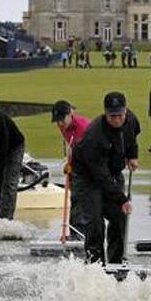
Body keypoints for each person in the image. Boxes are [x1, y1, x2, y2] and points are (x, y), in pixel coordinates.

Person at [71, 92, 140, 265]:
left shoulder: (130, 119)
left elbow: (132, 138)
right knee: (95, 222)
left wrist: (132, 155)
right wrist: (122, 199)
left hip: (113, 172)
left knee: (119, 217)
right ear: (105, 113)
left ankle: (116, 263)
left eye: (120, 115)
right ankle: (95, 266)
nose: (117, 120)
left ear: (125, 111)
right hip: (88, 177)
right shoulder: (94, 135)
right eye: (112, 116)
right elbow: (101, 176)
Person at [51, 100, 91, 239]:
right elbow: (69, 145)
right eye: (57, 120)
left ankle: (81, 233)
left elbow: (89, 152)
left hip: (93, 160)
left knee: (81, 197)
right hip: (78, 160)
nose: (60, 123)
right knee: (75, 198)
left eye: (62, 119)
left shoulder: (83, 126)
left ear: (70, 114)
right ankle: (76, 232)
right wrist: (68, 163)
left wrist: (75, 166)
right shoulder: (62, 125)